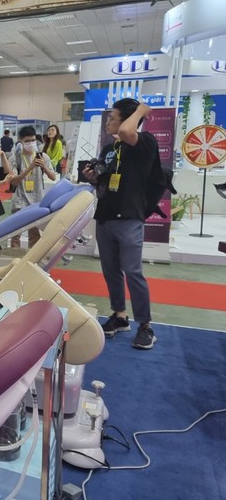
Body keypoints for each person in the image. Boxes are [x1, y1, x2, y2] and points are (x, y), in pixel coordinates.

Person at [83, 99, 158, 349]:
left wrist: (141, 110)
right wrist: (93, 178)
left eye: (112, 117)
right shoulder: (109, 148)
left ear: (127, 119)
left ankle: (145, 325)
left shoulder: (145, 142)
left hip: (129, 217)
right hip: (106, 216)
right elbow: (104, 182)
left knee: (133, 272)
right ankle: (120, 316)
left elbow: (127, 131)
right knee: (111, 271)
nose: (108, 121)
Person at [9, 126, 56, 249]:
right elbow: (14, 182)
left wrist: (44, 167)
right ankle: (14, 258)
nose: (31, 143)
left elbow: (53, 177)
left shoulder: (43, 156)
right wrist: (29, 168)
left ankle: (33, 258)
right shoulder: (15, 158)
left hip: (37, 201)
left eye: (33, 140)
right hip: (20, 201)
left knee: (35, 234)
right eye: (27, 141)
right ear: (21, 141)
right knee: (15, 234)